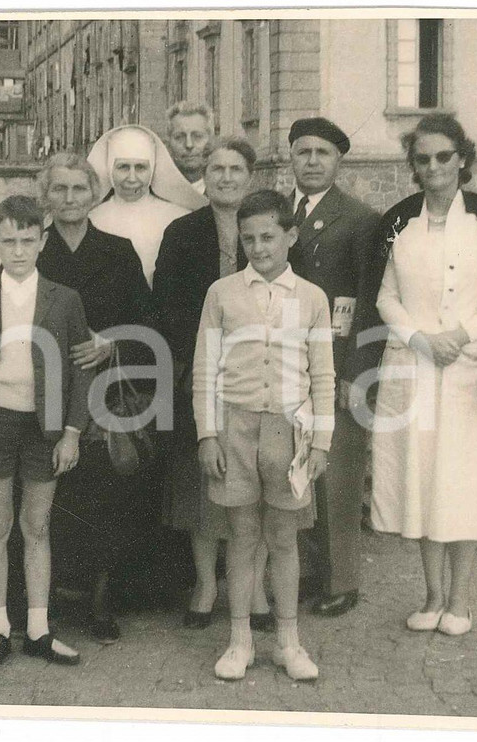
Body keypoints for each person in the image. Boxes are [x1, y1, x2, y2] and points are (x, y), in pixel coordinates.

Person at [351, 114, 477, 636]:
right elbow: (382, 293)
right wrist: (418, 338)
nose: (433, 166)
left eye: (442, 156)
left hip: (470, 370)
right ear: (413, 165)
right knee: (421, 478)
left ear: (462, 159)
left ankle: (460, 601)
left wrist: (461, 332)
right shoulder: (399, 222)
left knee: (464, 482)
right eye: (422, 158)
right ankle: (431, 597)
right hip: (412, 367)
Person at [193, 189, 335, 682]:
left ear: (291, 236)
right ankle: (239, 641)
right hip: (235, 427)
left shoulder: (312, 298)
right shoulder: (222, 293)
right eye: (248, 238)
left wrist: (320, 443)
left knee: (283, 538)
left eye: (269, 237)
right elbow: (204, 369)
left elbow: (323, 377)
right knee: (241, 537)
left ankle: (289, 642)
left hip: (289, 432)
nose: (259, 247)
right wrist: (207, 435)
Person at [0, 195, 93, 670]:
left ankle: (38, 627)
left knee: (37, 525)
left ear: (42, 241)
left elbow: (80, 369)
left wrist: (72, 431)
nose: (17, 251)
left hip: (44, 425)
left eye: (27, 241)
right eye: (8, 241)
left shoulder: (64, 298)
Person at [33, 152, 155, 644]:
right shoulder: (33, 250)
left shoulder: (118, 250)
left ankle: (101, 596)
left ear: (93, 194)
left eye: (79, 189)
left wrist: (113, 341)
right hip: (45, 388)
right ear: (46, 197)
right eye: (59, 190)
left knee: (103, 490)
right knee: (51, 491)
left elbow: (147, 323)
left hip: (103, 387)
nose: (69, 199)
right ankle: (57, 592)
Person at [153, 138, 273, 631]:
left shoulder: (270, 228)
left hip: (262, 374)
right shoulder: (182, 233)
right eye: (216, 169)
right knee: (204, 484)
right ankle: (206, 583)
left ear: (250, 175)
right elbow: (167, 304)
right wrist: (204, 354)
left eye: (235, 168)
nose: (225, 177)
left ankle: (257, 589)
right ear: (205, 176)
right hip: (199, 372)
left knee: (260, 483)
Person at [285, 117, 380, 618]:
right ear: (291, 159)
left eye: (323, 153)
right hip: (288, 365)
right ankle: (303, 572)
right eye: (303, 152)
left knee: (337, 475)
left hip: (338, 366)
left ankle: (342, 579)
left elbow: (369, 305)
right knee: (295, 469)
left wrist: (359, 373)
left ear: (339, 160)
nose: (313, 161)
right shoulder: (280, 215)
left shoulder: (361, 220)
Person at [87, 124, 207, 287]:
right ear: (109, 170)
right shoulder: (91, 219)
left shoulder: (179, 218)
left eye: (140, 167)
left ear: (152, 170)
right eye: (123, 167)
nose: (132, 177)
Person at [164, 101, 214, 193]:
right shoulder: (158, 192)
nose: (189, 144)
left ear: (210, 139)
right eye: (179, 137)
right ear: (168, 142)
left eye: (197, 136)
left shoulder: (225, 192)